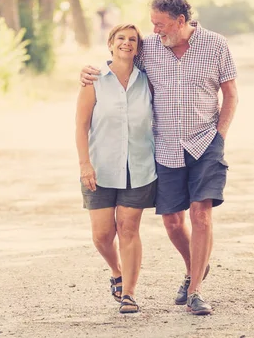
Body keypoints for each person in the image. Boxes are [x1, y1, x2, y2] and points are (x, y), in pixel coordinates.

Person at [80, 0, 238, 315]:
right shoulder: (149, 47)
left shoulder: (216, 45)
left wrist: (220, 136)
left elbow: (231, 94)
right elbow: (117, 61)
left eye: (161, 25)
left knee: (201, 214)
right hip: (165, 146)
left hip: (205, 141)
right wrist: (88, 73)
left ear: (181, 22)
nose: (155, 31)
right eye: (152, 24)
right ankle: (194, 266)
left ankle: (195, 290)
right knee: (172, 222)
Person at [75, 23, 156, 314]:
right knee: (101, 235)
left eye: (133, 39)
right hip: (100, 168)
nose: (127, 43)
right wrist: (85, 164)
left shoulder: (148, 80)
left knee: (128, 228)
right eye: (121, 38)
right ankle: (117, 271)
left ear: (138, 47)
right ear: (110, 43)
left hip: (140, 167)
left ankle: (129, 294)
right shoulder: (94, 79)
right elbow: (81, 126)